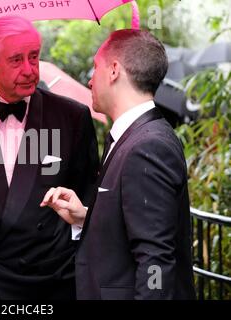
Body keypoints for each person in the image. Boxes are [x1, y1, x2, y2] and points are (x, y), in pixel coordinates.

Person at [0, 15, 99, 299]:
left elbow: (88, 198)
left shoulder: (73, 116)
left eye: (34, 57)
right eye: (16, 60)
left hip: (47, 281)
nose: (29, 70)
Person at [41, 29, 196, 300]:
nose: (90, 81)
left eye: (95, 68)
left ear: (114, 71)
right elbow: (137, 226)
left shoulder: (148, 147)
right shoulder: (136, 136)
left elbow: (156, 260)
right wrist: (86, 217)